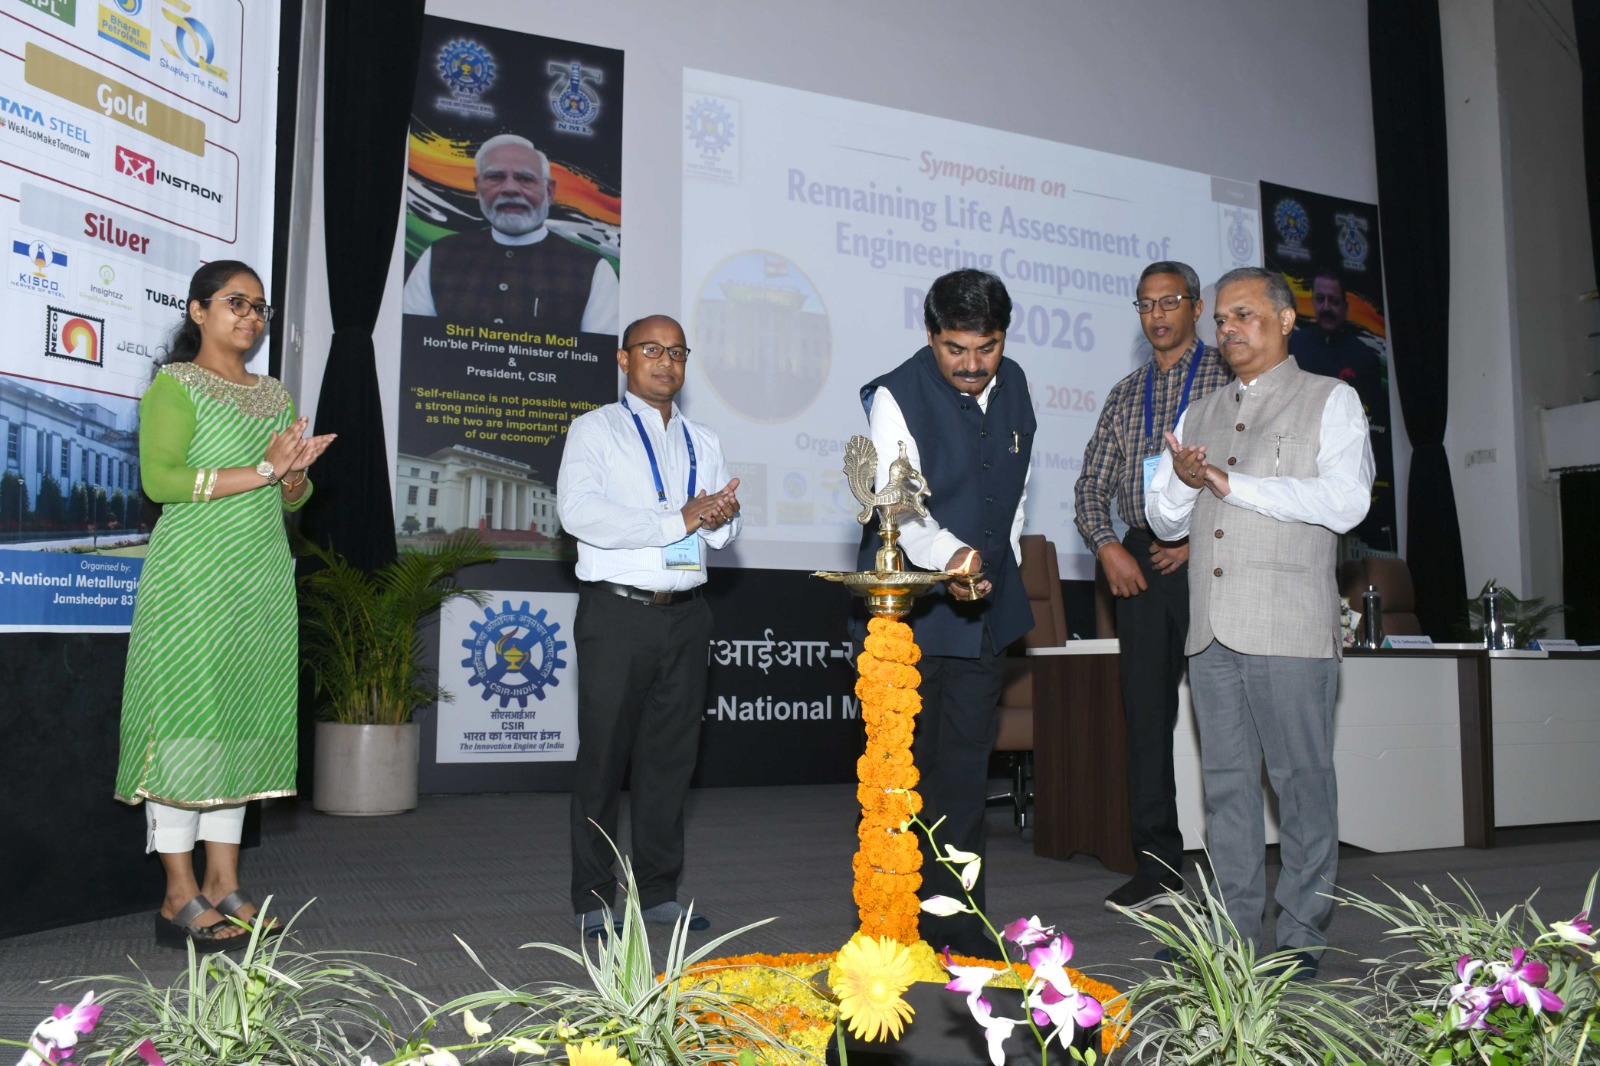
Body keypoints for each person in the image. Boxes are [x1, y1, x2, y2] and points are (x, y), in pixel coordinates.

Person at [1147, 266, 1373, 978]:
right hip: (1211, 631)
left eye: (1243, 314)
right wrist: (1184, 486)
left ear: (1285, 319)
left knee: (1302, 785)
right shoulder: (1197, 413)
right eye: (1221, 319)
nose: (1228, 329)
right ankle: (1232, 934)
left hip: (1289, 627)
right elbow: (1164, 521)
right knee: (1226, 791)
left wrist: (1229, 481)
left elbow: (1347, 502)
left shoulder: (1331, 400)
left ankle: (1301, 934)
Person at [115, 260, 336, 951]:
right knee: (187, 724)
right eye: (236, 303)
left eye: (259, 307)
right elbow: (161, 480)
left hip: (259, 578)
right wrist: (266, 468)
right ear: (198, 310)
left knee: (237, 725)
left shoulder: (274, 394)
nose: (251, 316)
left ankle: (224, 883)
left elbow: (291, 498)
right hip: (191, 578)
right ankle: (177, 892)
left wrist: (293, 476)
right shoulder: (174, 385)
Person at [854, 268, 1035, 957]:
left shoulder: (1015, 385)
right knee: (907, 781)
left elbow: (1014, 495)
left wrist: (994, 566)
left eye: (986, 348)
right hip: (912, 614)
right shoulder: (896, 396)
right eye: (956, 348)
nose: (972, 364)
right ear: (931, 335)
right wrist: (953, 558)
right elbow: (899, 508)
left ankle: (961, 932)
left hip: (983, 609)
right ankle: (895, 929)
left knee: (965, 777)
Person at [557, 314, 740, 939]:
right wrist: (676, 520)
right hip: (618, 613)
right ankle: (592, 898)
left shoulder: (703, 439)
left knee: (671, 761)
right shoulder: (595, 429)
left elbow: (721, 531)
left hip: (687, 615)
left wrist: (720, 517)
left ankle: (659, 891)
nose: (666, 362)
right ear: (624, 359)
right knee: (604, 759)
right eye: (652, 350)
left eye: (677, 352)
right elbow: (579, 513)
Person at [1072, 260, 1231, 912]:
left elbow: (1250, 474)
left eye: (1170, 302)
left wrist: (1196, 539)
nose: (1157, 315)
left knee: (1225, 717)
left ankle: (1234, 868)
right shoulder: (1125, 393)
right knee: (1145, 717)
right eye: (1146, 304)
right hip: (1139, 561)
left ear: (1196, 307)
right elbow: (1091, 485)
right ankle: (1159, 867)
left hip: (1217, 554)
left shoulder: (1228, 375)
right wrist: (1107, 546)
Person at [401, 133, 619, 334]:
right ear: (478, 188)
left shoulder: (592, 269)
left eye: (525, 178)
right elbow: (412, 342)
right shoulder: (440, 255)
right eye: (496, 177)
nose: (510, 189)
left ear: (549, 191)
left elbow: (599, 357)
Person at [1287, 267, 1385, 417]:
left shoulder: (1365, 358)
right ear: (1313, 302)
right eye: (1320, 299)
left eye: (1333, 301)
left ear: (1345, 307)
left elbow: (1371, 415)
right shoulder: (1294, 344)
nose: (1326, 307)